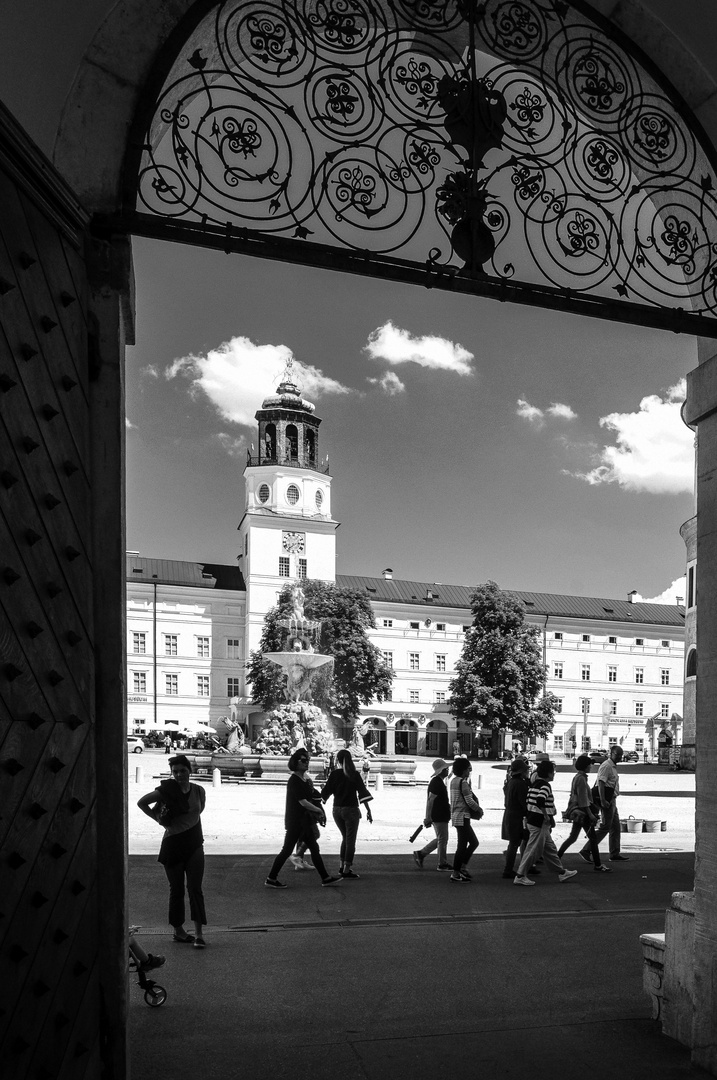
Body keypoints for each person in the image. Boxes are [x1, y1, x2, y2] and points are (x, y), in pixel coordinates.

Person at [137, 755, 208, 947]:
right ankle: (178, 930)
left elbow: (198, 813)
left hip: (194, 843)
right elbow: (142, 802)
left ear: (189, 770)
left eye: (182, 770)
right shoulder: (166, 791)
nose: (179, 775)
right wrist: (158, 820)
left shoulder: (199, 791)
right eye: (175, 771)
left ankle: (199, 934)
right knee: (176, 890)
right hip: (173, 844)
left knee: (195, 889)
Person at [265, 749, 341, 889]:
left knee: (313, 848)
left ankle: (325, 877)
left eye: (308, 760)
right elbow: (303, 801)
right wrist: (318, 810)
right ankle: (271, 878)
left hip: (304, 822)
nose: (307, 763)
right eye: (303, 761)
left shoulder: (304, 779)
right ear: (295, 762)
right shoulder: (294, 780)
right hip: (296, 821)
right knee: (287, 851)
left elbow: (311, 796)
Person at [514, 759, 578, 886]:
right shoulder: (545, 786)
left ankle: (561, 872)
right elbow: (540, 801)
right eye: (553, 772)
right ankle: (520, 875)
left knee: (550, 849)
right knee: (533, 850)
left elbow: (531, 802)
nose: (554, 774)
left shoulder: (534, 784)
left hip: (533, 819)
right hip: (539, 821)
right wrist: (546, 816)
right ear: (548, 773)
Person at [320, 748, 373, 878]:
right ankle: (346, 869)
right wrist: (368, 810)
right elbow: (362, 792)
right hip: (351, 810)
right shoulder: (354, 774)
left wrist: (320, 803)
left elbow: (325, 792)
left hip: (336, 810)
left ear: (337, 760)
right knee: (350, 840)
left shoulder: (334, 774)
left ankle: (341, 865)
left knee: (345, 838)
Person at [558, 755, 612, 872]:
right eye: (589, 764)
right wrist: (591, 814)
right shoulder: (581, 779)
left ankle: (557, 857)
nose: (591, 766)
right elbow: (583, 800)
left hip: (578, 812)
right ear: (586, 766)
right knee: (592, 838)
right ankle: (598, 865)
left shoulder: (577, 777)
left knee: (572, 837)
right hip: (583, 813)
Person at [578, 744, 628, 863]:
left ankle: (614, 853)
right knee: (606, 826)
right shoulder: (606, 766)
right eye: (617, 755)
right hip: (606, 800)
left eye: (621, 755)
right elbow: (600, 783)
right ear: (611, 754)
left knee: (615, 827)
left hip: (611, 799)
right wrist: (603, 800)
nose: (620, 757)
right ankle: (587, 849)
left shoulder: (613, 767)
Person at [413, 758, 452, 871]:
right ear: (441, 770)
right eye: (446, 768)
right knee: (442, 839)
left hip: (440, 814)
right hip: (439, 815)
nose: (447, 770)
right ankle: (441, 863)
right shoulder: (436, 782)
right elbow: (431, 800)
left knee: (441, 838)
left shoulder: (438, 781)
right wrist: (428, 817)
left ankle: (421, 854)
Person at [449, 757, 482, 882]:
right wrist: (479, 809)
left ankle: (460, 869)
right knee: (470, 843)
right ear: (463, 770)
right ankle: (457, 871)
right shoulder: (462, 782)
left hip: (456, 816)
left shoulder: (453, 781)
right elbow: (469, 800)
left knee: (463, 844)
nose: (469, 772)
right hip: (463, 816)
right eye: (469, 769)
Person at [501, 757, 530, 878]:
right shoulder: (520, 784)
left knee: (513, 843)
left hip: (509, 813)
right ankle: (508, 870)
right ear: (521, 772)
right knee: (514, 843)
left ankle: (509, 868)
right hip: (516, 815)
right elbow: (524, 802)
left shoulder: (510, 782)